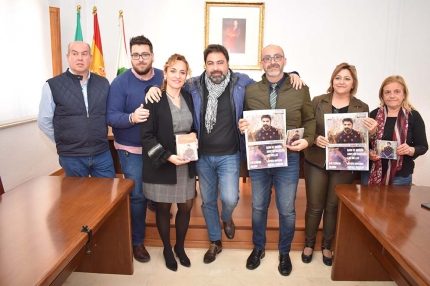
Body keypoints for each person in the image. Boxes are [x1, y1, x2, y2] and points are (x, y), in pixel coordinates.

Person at [146, 44, 304, 264]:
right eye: (210, 63)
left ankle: (227, 218)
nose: (216, 67)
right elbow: (172, 84)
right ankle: (215, 241)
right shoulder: (193, 85)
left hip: (230, 155)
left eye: (220, 62)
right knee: (208, 201)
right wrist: (151, 88)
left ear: (228, 63)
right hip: (201, 155)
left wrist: (293, 75)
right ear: (205, 66)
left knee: (230, 198)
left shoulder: (242, 83)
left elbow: (270, 79)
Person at [238, 44, 316, 276]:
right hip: (260, 159)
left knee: (287, 210)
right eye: (267, 58)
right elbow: (245, 120)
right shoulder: (251, 91)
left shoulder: (300, 88)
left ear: (284, 60)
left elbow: (310, 120)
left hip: (289, 159)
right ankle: (258, 248)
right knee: (258, 207)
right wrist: (243, 125)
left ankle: (284, 252)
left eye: (277, 57)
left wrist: (308, 140)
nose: (272, 61)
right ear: (261, 63)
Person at [302, 63, 376, 267]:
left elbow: (365, 140)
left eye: (346, 78)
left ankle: (326, 246)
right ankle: (308, 244)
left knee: (333, 207)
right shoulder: (317, 101)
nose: (341, 82)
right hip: (316, 160)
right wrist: (315, 138)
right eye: (338, 77)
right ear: (332, 81)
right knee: (315, 206)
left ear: (353, 84)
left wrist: (373, 132)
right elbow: (306, 127)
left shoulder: (362, 107)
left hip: (344, 163)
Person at [106, 35, 163, 263]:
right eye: (136, 55)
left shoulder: (162, 76)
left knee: (157, 191)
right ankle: (137, 241)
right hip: (131, 149)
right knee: (137, 195)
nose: (141, 59)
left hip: (158, 148)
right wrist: (131, 117)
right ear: (131, 56)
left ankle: (154, 202)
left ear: (152, 55)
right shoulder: (120, 82)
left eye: (145, 54)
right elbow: (111, 116)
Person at [140, 54, 196, 272]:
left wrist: (194, 140)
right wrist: (167, 157)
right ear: (164, 73)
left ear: (186, 76)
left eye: (182, 72)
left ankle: (179, 247)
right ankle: (166, 248)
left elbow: (194, 127)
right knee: (163, 208)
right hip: (162, 162)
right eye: (173, 71)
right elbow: (146, 136)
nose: (177, 76)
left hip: (186, 161)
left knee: (186, 206)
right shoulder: (153, 98)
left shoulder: (190, 98)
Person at [38, 41, 115, 178]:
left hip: (101, 153)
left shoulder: (103, 83)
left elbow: (108, 114)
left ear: (90, 58)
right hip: (72, 157)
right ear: (68, 57)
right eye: (75, 53)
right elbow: (44, 122)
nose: (80, 58)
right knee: (78, 198)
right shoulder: (52, 85)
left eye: (84, 54)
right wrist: (63, 141)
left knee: (108, 195)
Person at [361, 75, 428, 185]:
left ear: (404, 94)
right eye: (387, 92)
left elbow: (423, 146)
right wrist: (369, 154)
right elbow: (363, 142)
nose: (392, 96)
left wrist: (410, 150)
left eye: (397, 91)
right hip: (371, 173)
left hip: (400, 176)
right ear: (382, 95)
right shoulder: (373, 114)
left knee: (396, 203)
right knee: (367, 203)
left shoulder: (413, 116)